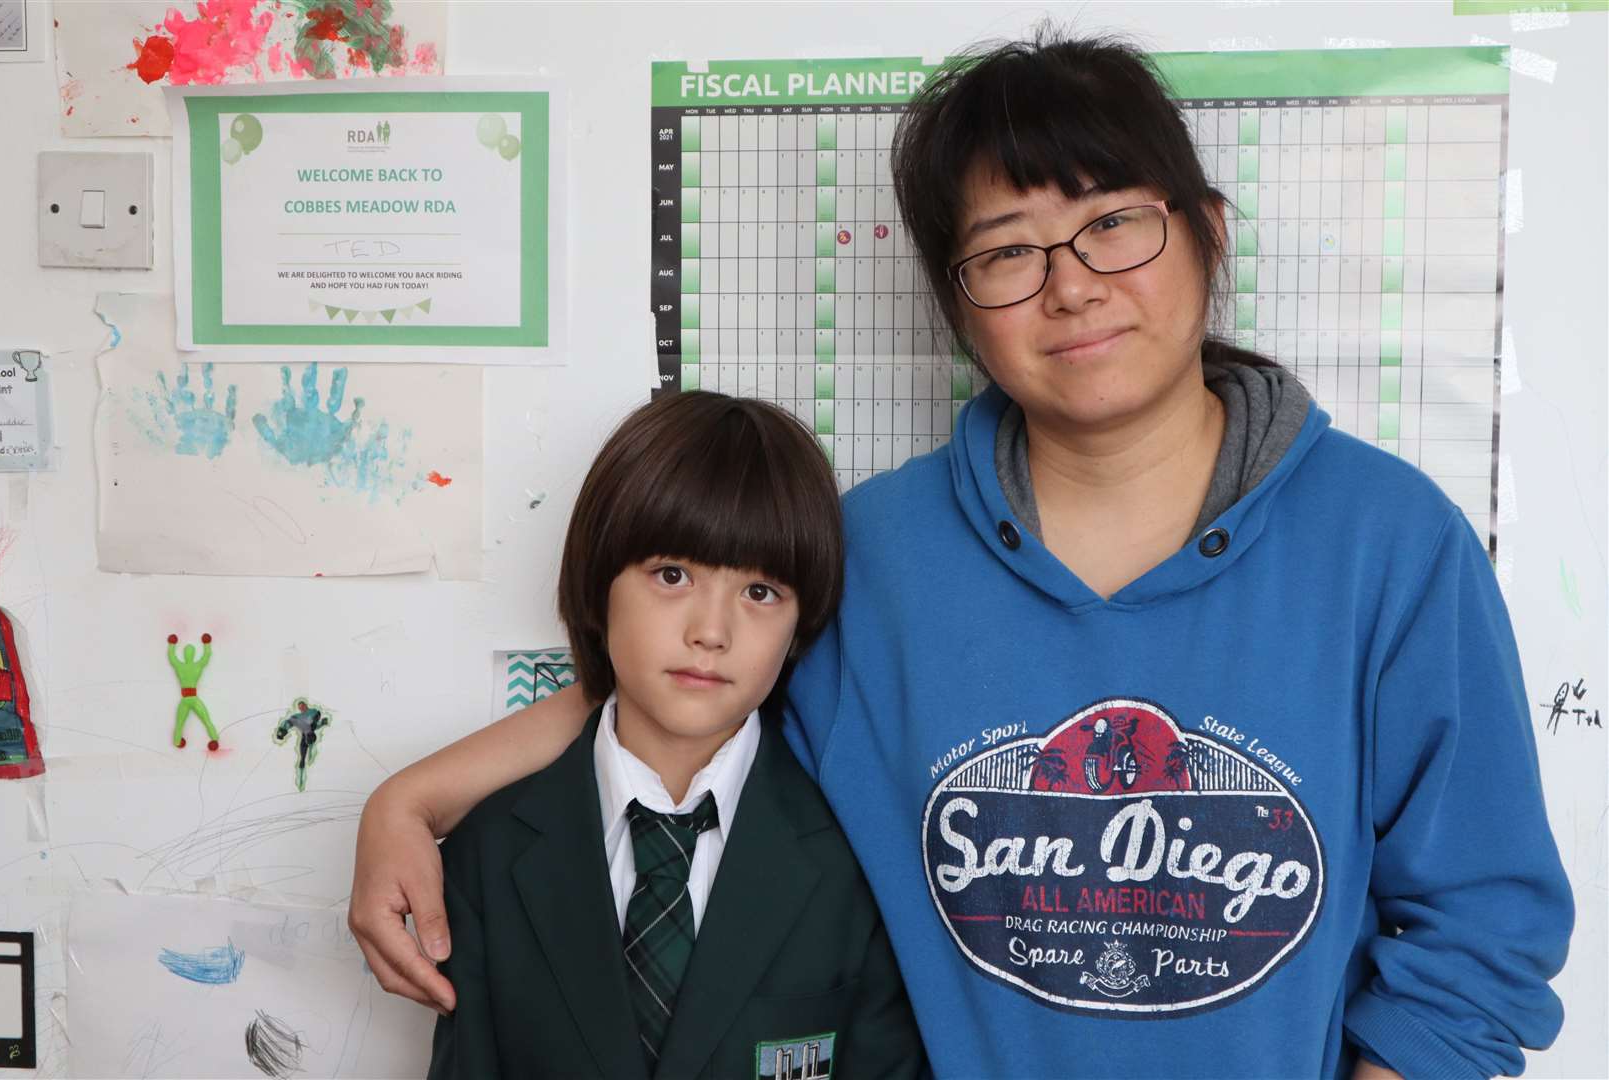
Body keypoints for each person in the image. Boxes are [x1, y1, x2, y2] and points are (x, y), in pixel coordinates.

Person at [355, 31, 1572, 1080]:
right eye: (1008, 252)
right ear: (957, 303)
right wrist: (410, 800)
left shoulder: (1391, 547)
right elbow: (681, 694)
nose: (1073, 287)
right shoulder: (869, 553)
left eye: (1113, 225)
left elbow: (1482, 931)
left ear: (1205, 235)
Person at [425, 392, 924, 1079]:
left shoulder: (858, 853)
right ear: (599, 585)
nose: (711, 633)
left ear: (802, 623)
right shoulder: (488, 853)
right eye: (672, 575)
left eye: (760, 593)